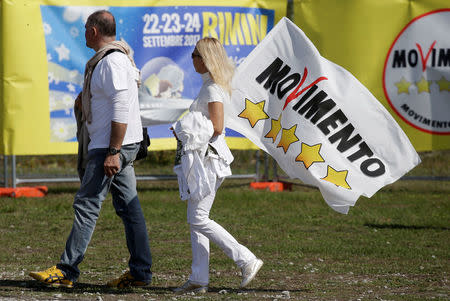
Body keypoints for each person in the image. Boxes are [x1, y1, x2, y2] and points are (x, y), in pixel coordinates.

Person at [29, 10, 152, 288]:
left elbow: (121, 107)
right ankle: (140, 272)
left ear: (94, 31)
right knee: (129, 209)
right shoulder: (108, 61)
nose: (84, 32)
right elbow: (110, 100)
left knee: (86, 204)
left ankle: (67, 270)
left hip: (110, 146)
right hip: (114, 144)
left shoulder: (112, 62)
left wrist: (113, 151)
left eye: (86, 28)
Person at [172, 37, 263, 294]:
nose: (192, 59)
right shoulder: (210, 86)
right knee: (196, 219)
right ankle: (199, 278)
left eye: (196, 55)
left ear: (207, 59)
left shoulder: (212, 89)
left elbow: (217, 126)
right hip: (205, 160)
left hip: (210, 161)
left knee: (199, 218)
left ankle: (246, 259)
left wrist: (185, 128)